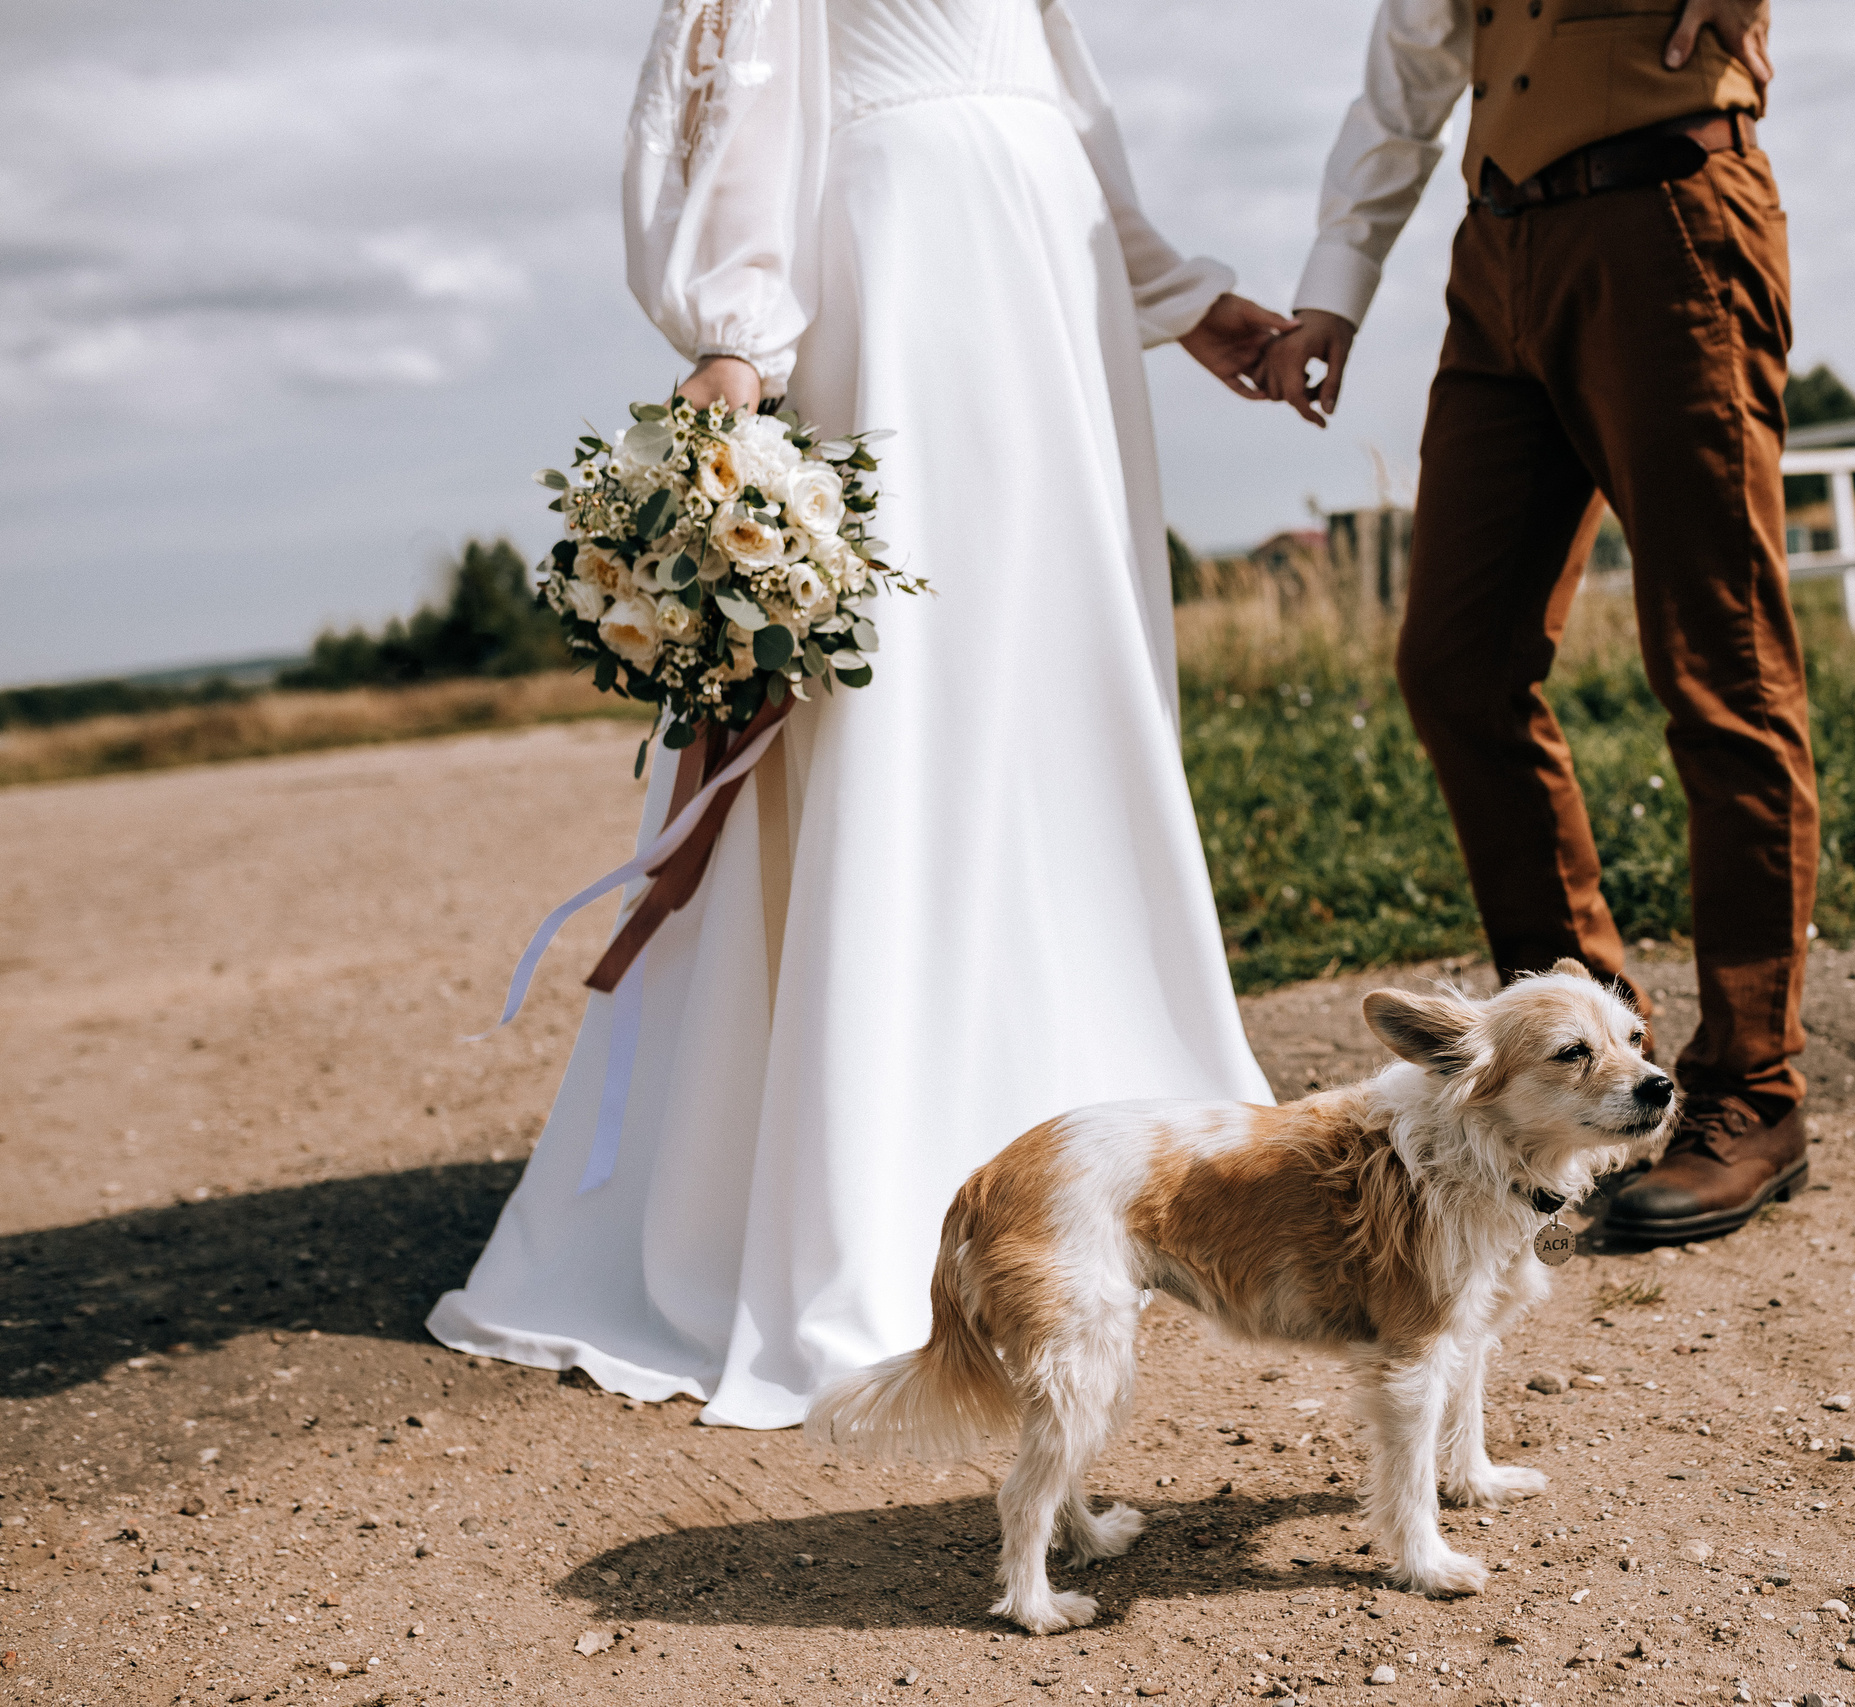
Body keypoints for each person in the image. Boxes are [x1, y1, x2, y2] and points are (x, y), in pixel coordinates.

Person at [430, 0, 1285, 1427]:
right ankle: (886, 1148)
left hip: (1041, 263)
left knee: (1063, 694)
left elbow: (1049, 77)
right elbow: (744, 62)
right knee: (907, 702)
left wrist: (1175, 293)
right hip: (909, 268)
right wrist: (735, 337)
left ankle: (1087, 1128)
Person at [1259, 0, 1816, 1246]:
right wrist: (1334, 287)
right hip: (1497, 247)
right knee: (1457, 662)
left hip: (1668, 214)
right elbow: (1410, 65)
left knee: (1722, 670)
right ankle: (1595, 1067)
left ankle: (1754, 1091)